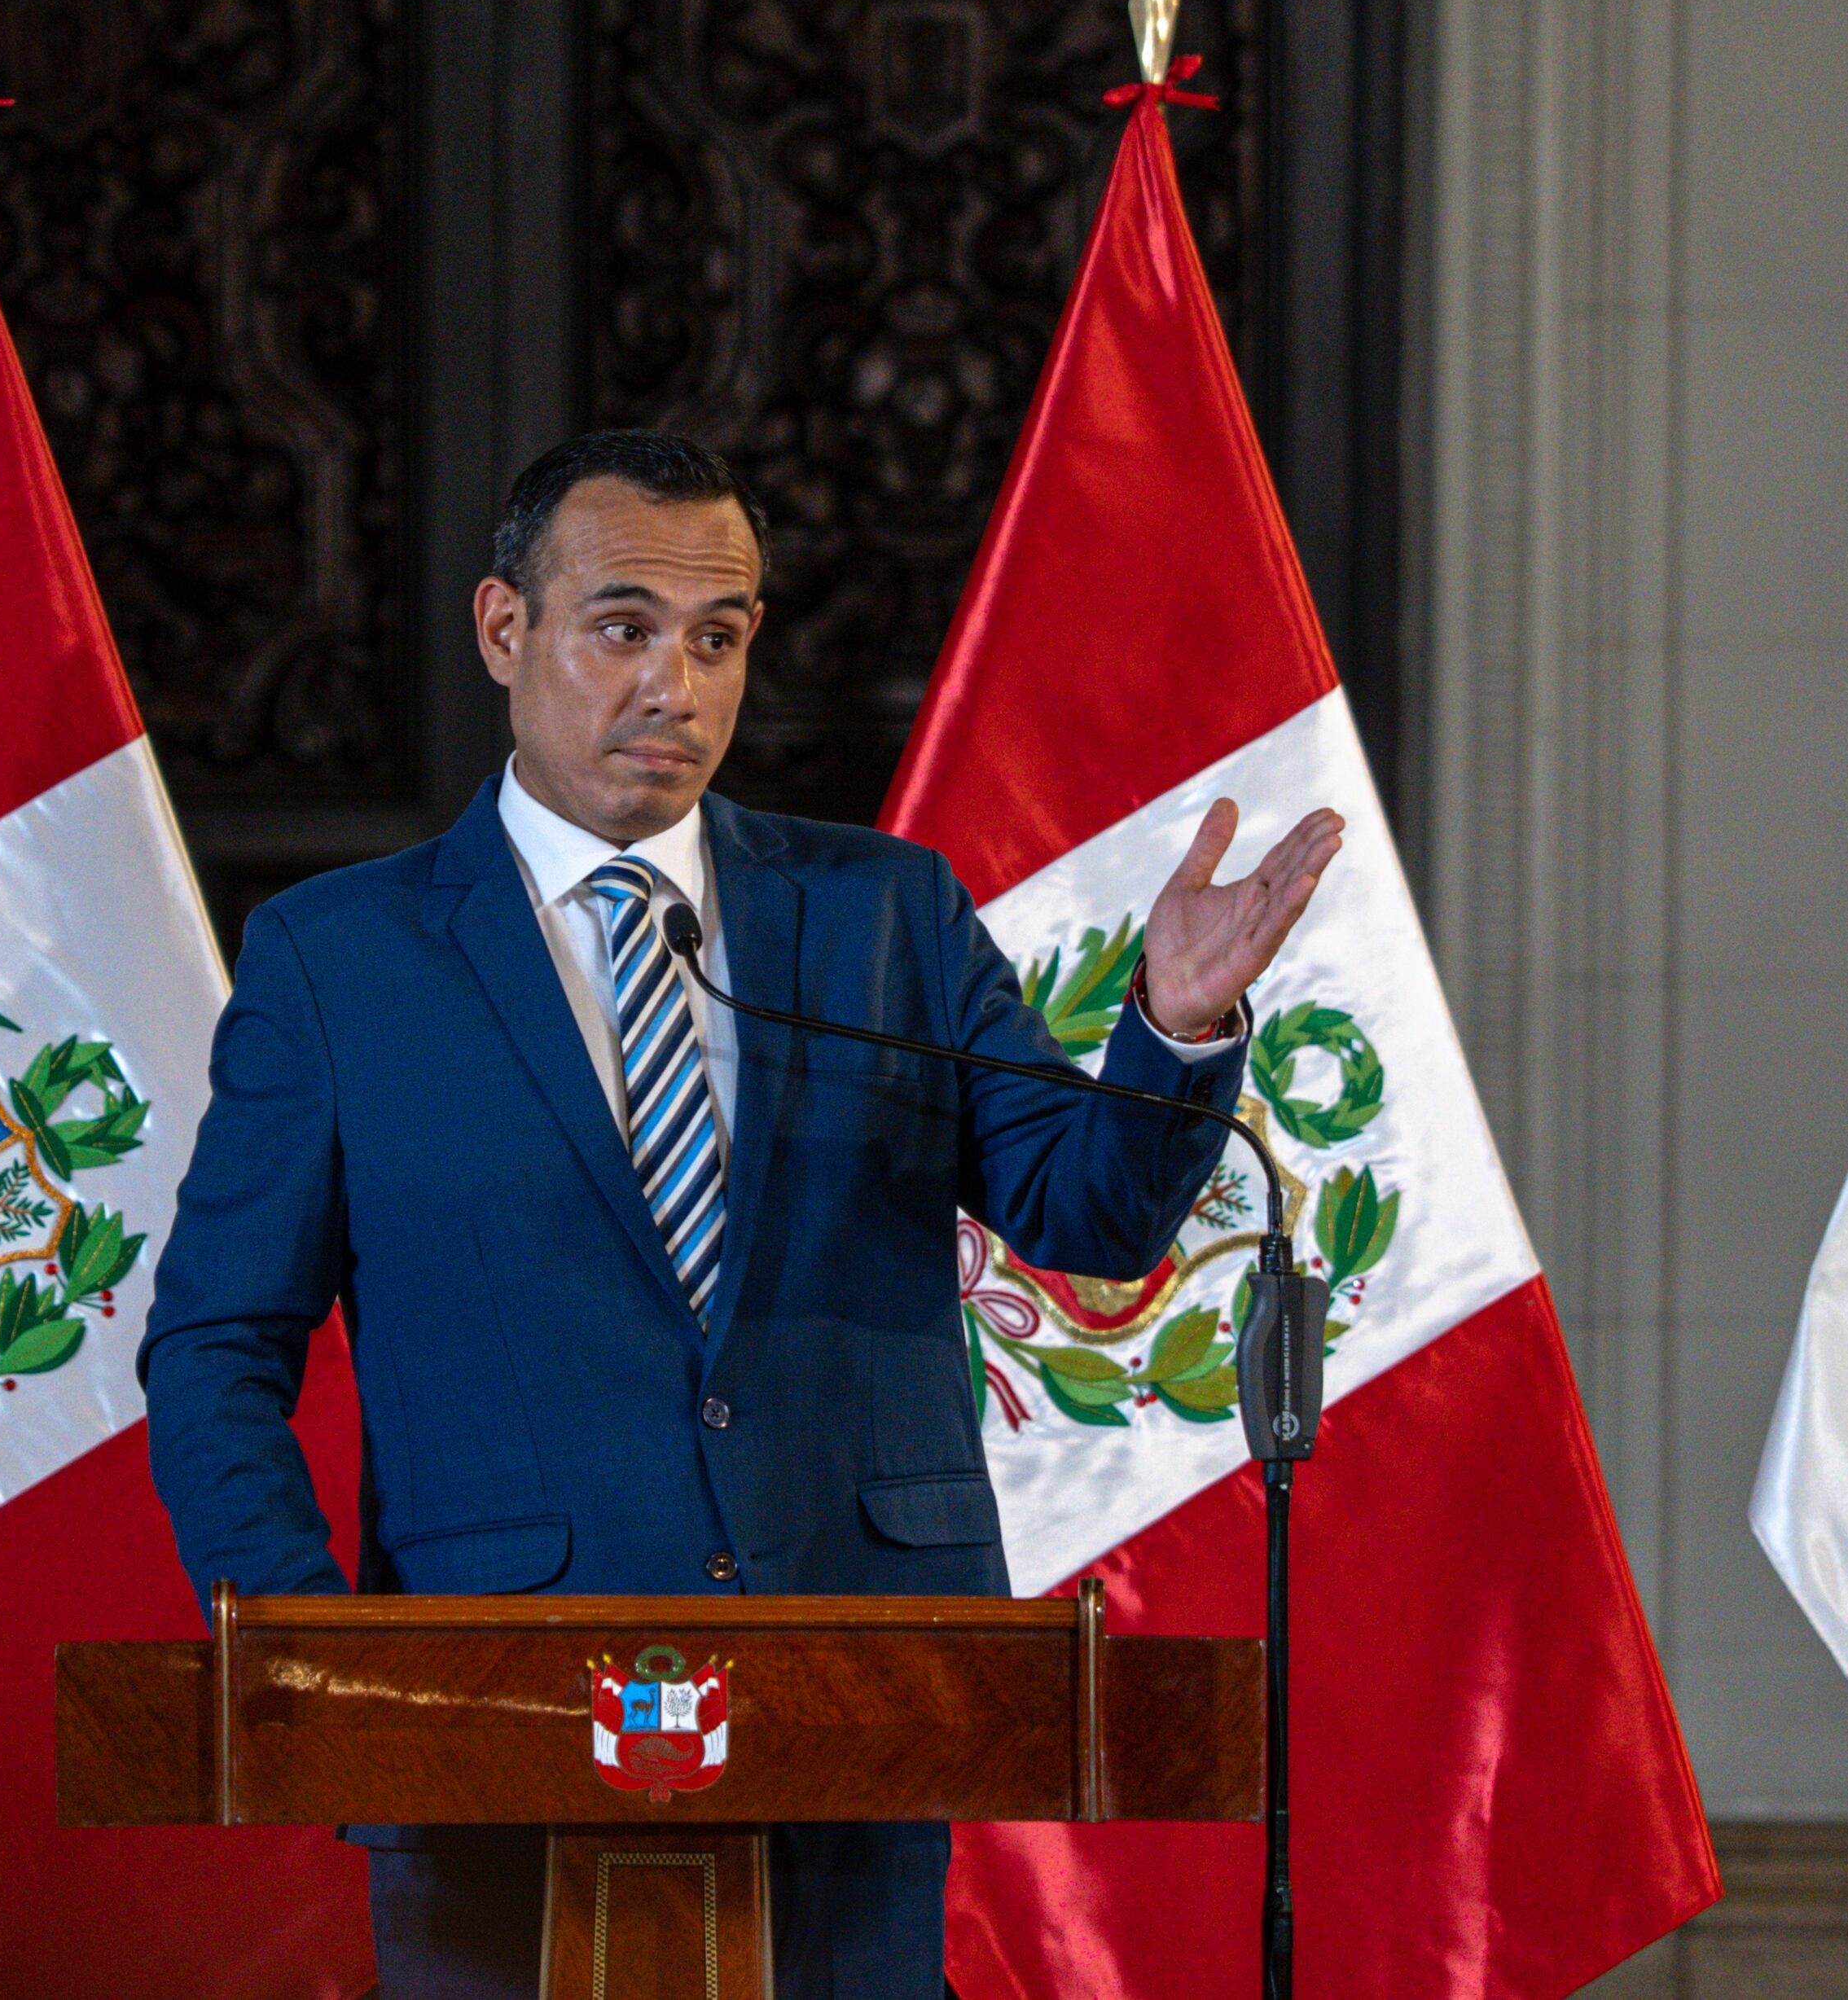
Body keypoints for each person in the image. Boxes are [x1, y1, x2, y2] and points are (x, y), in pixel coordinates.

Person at [139, 428, 1344, 1998]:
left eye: (718, 639)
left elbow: (1090, 1209)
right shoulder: (338, 960)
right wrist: (313, 1661)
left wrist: (1171, 1031)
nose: (678, 686)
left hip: (860, 1698)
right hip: (493, 1740)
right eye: (624, 628)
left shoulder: (885, 916)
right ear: (506, 631)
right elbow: (217, 1346)